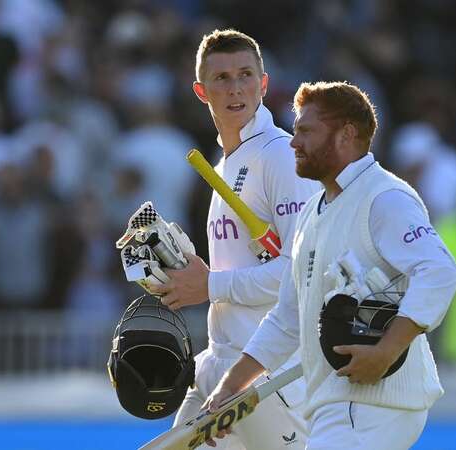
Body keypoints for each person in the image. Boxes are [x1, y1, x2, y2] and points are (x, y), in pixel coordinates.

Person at [204, 81, 456, 450]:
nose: (294, 143)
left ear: (347, 135)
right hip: (336, 403)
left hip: (374, 401)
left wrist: (386, 351)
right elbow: (287, 318)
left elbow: (440, 272)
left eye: (306, 131)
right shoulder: (312, 212)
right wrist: (230, 388)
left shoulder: (385, 197)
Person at [147, 29, 319, 450]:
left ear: (264, 84)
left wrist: (207, 285)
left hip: (268, 379)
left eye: (245, 75)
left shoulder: (280, 155)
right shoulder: (226, 163)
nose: (235, 87)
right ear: (201, 91)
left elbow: (300, 272)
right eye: (221, 78)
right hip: (221, 367)